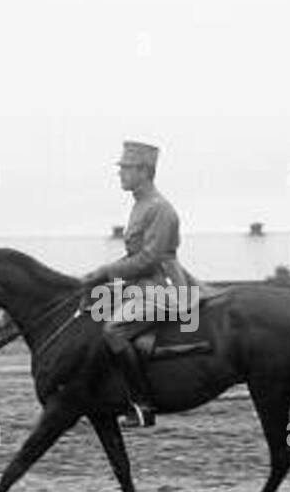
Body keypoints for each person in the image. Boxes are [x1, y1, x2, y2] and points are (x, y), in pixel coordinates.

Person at [80, 141, 202, 428]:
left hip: (165, 287)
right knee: (93, 311)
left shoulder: (160, 209)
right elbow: (135, 256)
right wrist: (100, 279)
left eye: (126, 168)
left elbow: (149, 258)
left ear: (145, 171)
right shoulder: (140, 205)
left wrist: (105, 272)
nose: (120, 173)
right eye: (121, 168)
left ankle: (142, 405)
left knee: (113, 329)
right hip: (143, 285)